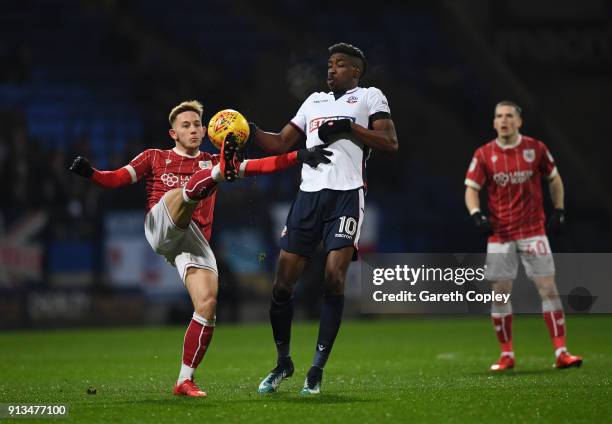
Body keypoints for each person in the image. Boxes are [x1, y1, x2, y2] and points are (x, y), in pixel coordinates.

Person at [69, 100, 332, 397]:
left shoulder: (208, 159)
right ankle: (214, 178)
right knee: (185, 191)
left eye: (197, 125)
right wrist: (90, 172)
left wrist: (299, 155)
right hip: (161, 225)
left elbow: (260, 166)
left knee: (207, 305)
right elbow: (115, 178)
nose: (193, 129)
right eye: (186, 125)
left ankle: (184, 380)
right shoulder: (155, 157)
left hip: (192, 240)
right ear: (173, 133)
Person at [249, 43, 398, 395]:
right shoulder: (312, 101)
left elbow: (390, 141)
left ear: (356, 72)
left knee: (334, 277)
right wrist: (247, 129)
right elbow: (279, 143)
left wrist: (349, 127)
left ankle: (316, 370)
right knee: (282, 284)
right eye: (330, 64)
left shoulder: (369, 96)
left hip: (346, 196)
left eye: (341, 64)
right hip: (308, 198)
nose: (332, 69)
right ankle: (283, 362)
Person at [464, 100, 582, 371]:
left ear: (519, 121)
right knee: (500, 294)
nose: (503, 120)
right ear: (494, 122)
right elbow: (471, 188)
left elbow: (554, 179)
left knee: (548, 289)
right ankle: (507, 355)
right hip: (500, 233)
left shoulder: (536, 149)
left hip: (533, 231)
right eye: (498, 116)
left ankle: (562, 352)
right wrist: (476, 214)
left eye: (508, 116)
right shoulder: (484, 154)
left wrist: (560, 209)